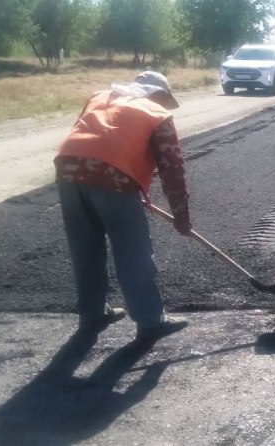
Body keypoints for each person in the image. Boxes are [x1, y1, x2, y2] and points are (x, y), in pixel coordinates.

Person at [54, 71, 191, 340]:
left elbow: (92, 139)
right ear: (160, 94)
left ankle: (92, 313)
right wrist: (181, 215)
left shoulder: (100, 97)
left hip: (68, 171)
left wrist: (116, 180)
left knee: (85, 247)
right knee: (133, 252)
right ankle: (151, 320)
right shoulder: (156, 113)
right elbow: (172, 168)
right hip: (113, 179)